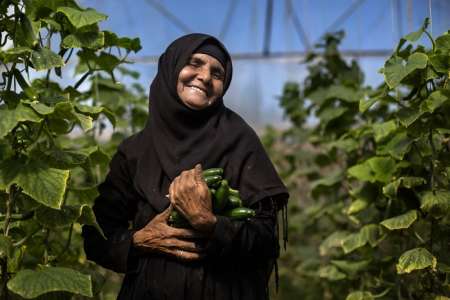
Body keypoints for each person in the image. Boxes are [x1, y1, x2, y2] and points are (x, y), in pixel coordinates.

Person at [82, 33, 289, 300]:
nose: (205, 76)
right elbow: (97, 237)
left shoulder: (240, 141)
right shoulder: (135, 151)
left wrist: (210, 223)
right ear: (172, 68)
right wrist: (138, 240)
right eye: (195, 63)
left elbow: (265, 241)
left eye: (217, 74)